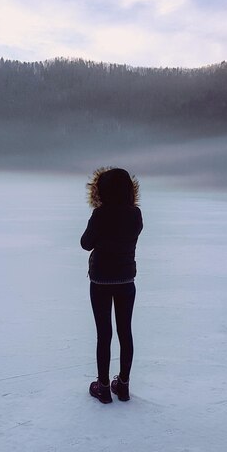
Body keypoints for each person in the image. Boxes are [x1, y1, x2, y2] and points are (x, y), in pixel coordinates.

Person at [81, 167, 143, 404]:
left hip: (101, 280)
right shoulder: (135, 214)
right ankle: (124, 386)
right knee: (125, 332)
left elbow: (86, 243)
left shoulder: (100, 215)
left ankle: (104, 387)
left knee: (104, 333)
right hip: (126, 279)